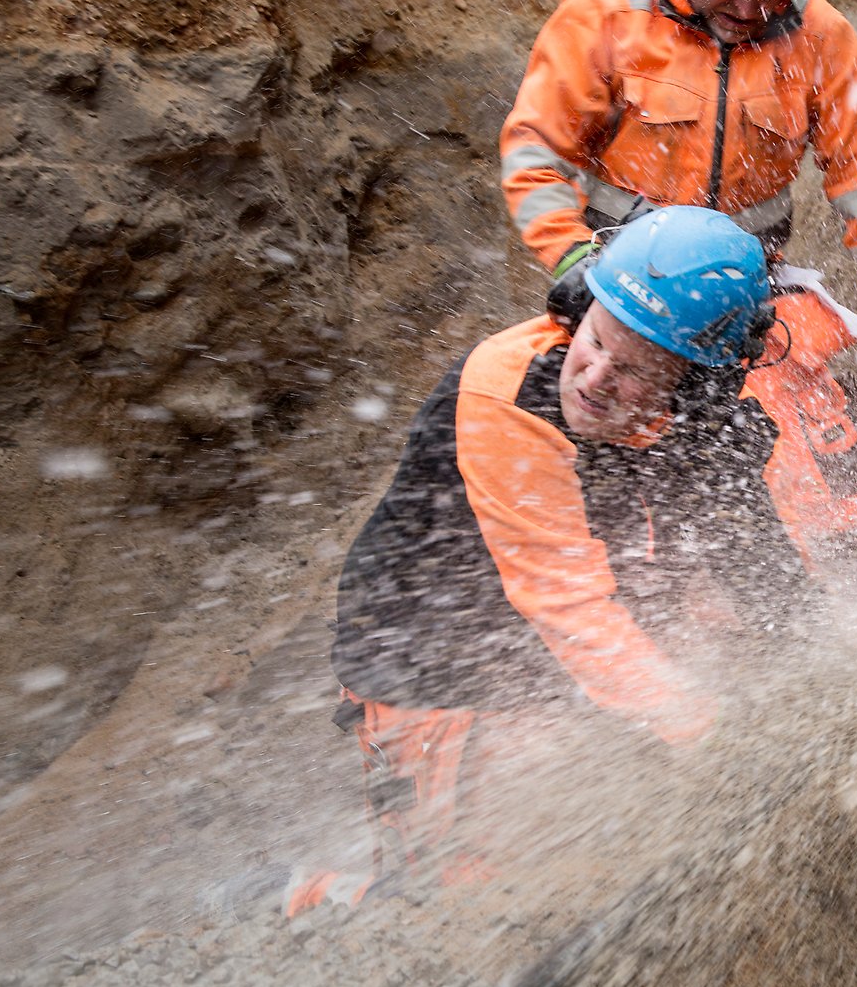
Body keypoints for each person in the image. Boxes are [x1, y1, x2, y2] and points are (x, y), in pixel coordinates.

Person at [290, 208, 813, 912]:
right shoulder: (510, 393)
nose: (594, 377)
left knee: (611, 838)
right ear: (584, 308)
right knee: (462, 905)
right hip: (429, 665)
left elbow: (762, 567)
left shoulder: (707, 420)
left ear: (691, 380)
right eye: (594, 340)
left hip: (555, 654)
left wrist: (818, 679)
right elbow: (566, 604)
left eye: (630, 370)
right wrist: (703, 731)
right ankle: (304, 900)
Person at [498, 0, 857, 552]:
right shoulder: (605, 16)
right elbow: (533, 157)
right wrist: (571, 266)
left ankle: (806, 588)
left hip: (749, 306)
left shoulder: (820, 38)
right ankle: (611, 589)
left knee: (776, 466)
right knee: (592, 453)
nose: (749, 7)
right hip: (619, 293)